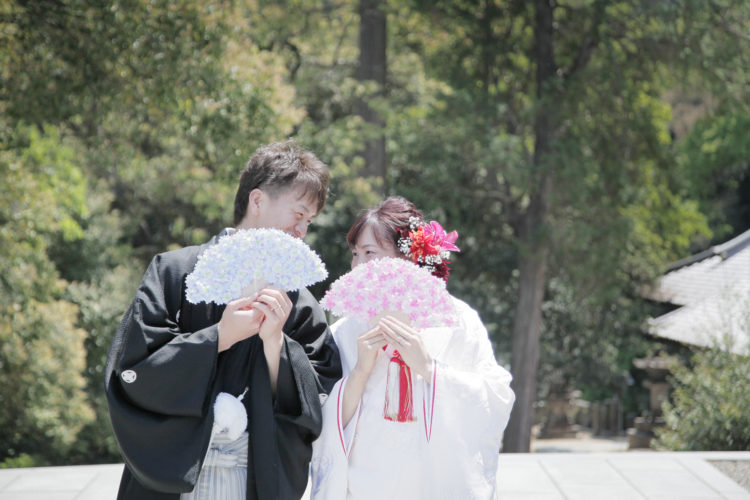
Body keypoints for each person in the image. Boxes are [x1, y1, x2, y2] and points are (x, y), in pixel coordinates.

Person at [105, 140, 342, 500]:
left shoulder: (299, 299)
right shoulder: (175, 272)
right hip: (176, 473)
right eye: (298, 214)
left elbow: (320, 392)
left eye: (309, 221)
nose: (302, 230)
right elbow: (136, 368)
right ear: (257, 201)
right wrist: (218, 337)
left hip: (254, 476)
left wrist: (276, 345)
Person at [310, 196, 515, 499]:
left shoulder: (458, 321)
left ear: (408, 256)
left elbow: (495, 397)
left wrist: (430, 369)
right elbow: (322, 421)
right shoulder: (346, 329)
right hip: (363, 484)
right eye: (355, 253)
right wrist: (360, 373)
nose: (358, 265)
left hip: (431, 481)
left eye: (370, 252)